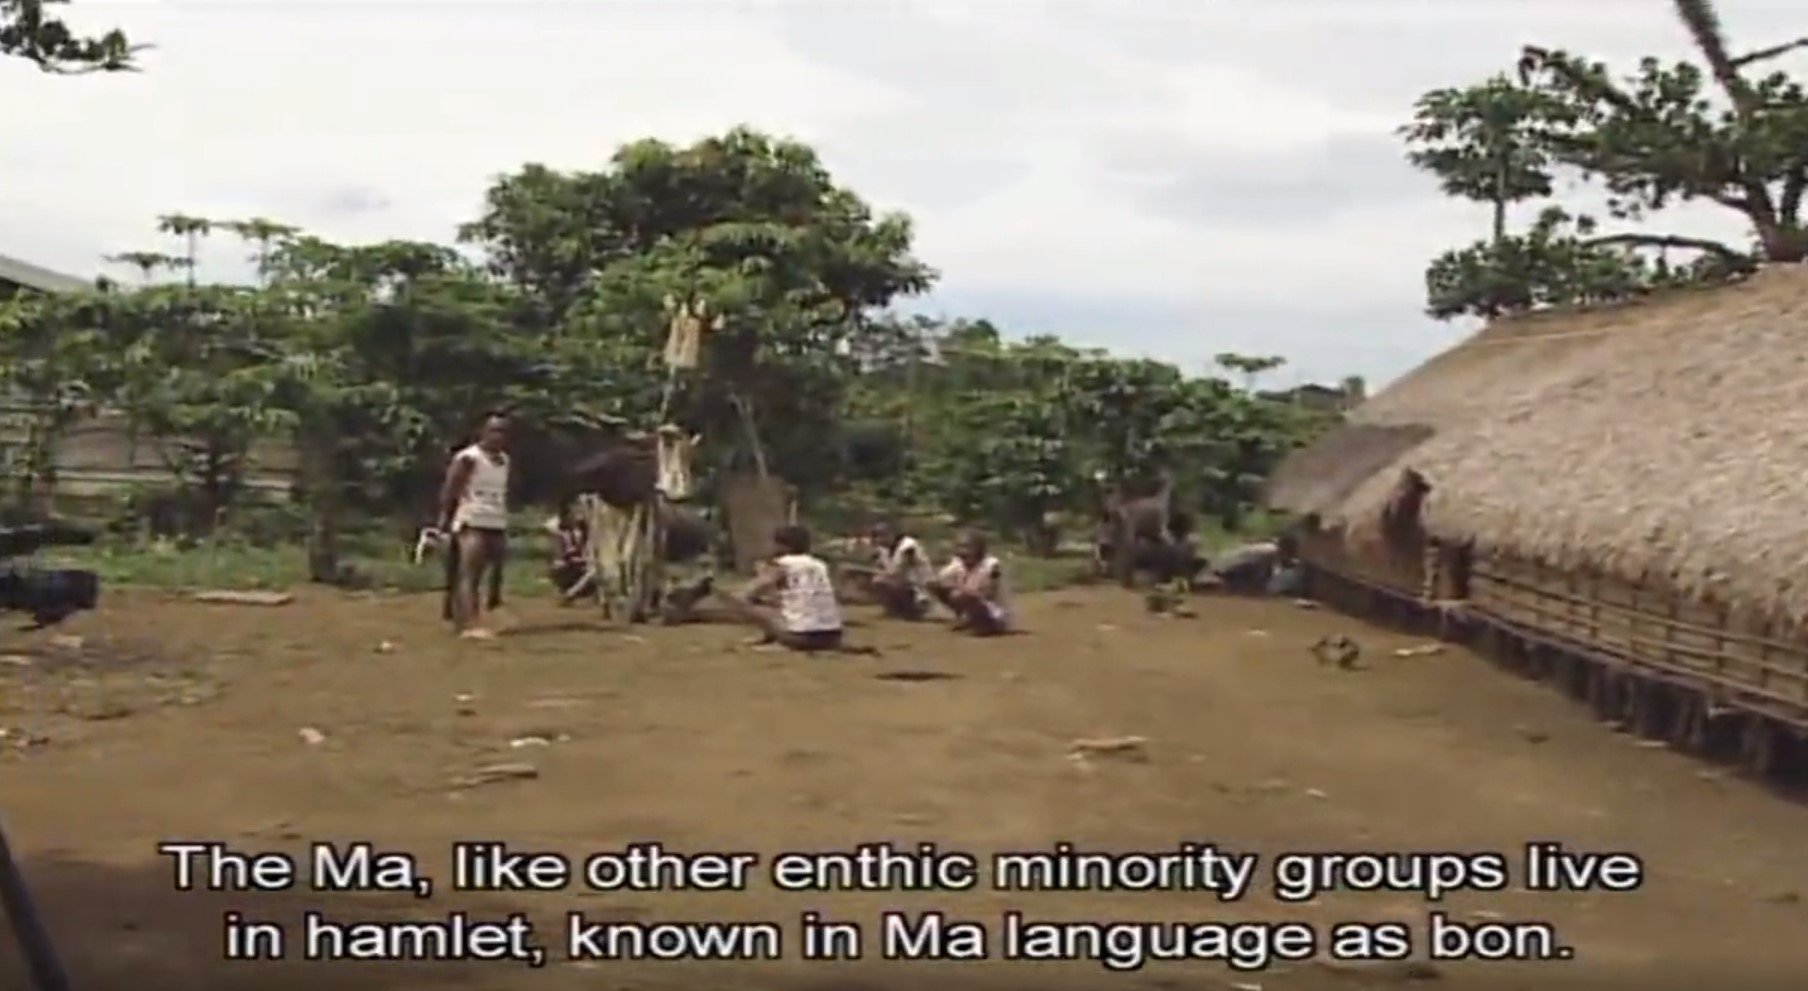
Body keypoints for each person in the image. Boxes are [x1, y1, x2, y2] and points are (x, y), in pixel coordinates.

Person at [438, 412, 512, 639]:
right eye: (494, 430)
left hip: (496, 519)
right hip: (472, 519)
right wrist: (444, 517)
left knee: (494, 573)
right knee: (469, 573)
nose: (498, 436)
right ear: (483, 432)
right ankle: (469, 623)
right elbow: (451, 488)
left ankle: (479, 613)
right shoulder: (468, 458)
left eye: (503, 432)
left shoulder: (504, 460)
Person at [716, 524, 846, 652]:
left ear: (783, 545)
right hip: (833, 636)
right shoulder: (819, 564)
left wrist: (725, 593)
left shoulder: (782, 564)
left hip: (800, 637)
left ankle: (782, 641)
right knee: (778, 607)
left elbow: (749, 591)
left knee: (741, 603)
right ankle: (773, 637)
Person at [929, 530, 1012, 636]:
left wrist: (966, 593)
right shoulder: (958, 564)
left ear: (979, 548)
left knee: (962, 595)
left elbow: (989, 592)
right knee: (938, 588)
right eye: (958, 547)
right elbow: (939, 581)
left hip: (996, 616)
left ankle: (985, 625)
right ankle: (965, 618)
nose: (961, 551)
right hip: (976, 603)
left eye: (966, 547)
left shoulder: (992, 565)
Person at [868, 521, 933, 620]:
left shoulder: (908, 545)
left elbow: (900, 570)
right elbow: (881, 567)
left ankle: (911, 610)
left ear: (891, 534)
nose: (878, 540)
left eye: (881, 536)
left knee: (880, 581)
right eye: (876, 536)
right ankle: (895, 610)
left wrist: (879, 573)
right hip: (902, 584)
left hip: (918, 589)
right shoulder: (884, 550)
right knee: (877, 581)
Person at [545, 499, 594, 604]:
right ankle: (569, 593)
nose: (577, 515)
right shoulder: (558, 531)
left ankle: (572, 592)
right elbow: (559, 555)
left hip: (578, 564)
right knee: (592, 572)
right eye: (574, 513)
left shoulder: (581, 528)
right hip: (565, 566)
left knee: (594, 571)